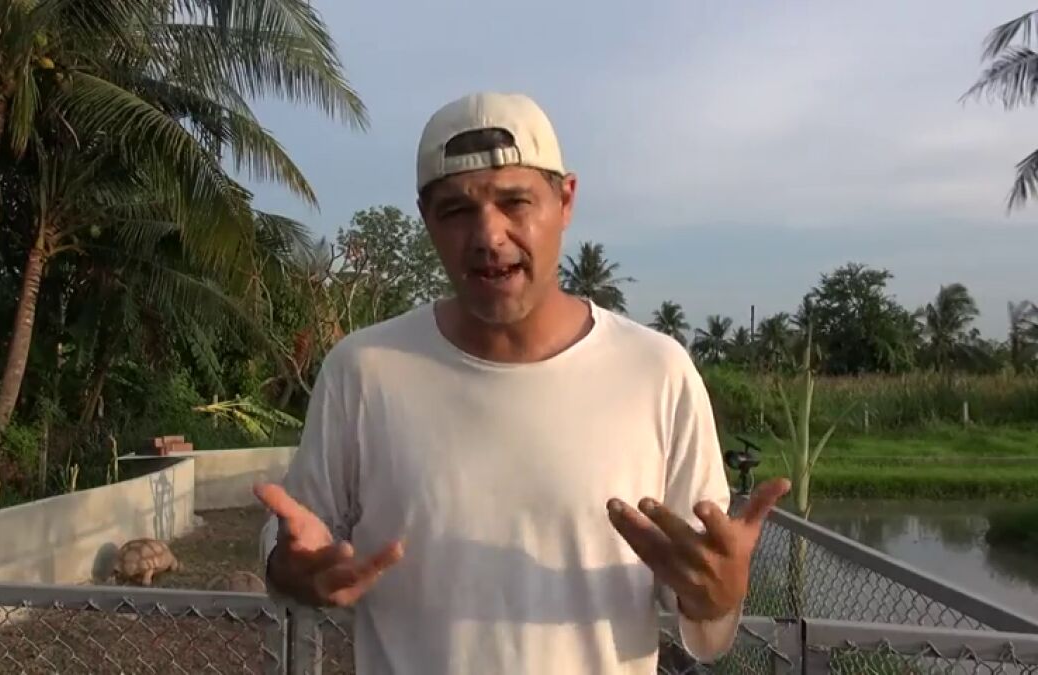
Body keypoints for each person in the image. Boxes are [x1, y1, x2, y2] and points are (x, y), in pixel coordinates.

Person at [255, 91, 790, 675]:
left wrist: (719, 595)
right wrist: (291, 569)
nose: (488, 235)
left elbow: (699, 602)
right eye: (456, 210)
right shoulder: (364, 369)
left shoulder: (657, 372)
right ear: (426, 219)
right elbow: (296, 543)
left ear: (566, 200)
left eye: (515, 201)